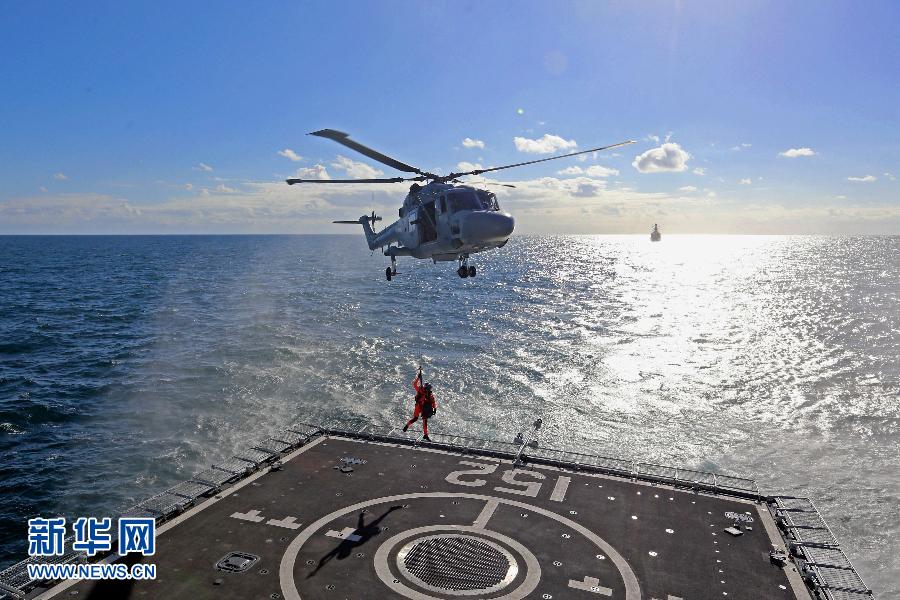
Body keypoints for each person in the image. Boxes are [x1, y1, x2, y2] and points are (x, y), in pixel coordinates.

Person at [402, 366, 437, 441]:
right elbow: (414, 384)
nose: (428, 390)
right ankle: (407, 426)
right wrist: (418, 378)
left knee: (425, 420)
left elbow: (433, 402)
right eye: (428, 388)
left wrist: (434, 409)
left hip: (424, 408)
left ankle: (425, 434)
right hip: (418, 406)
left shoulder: (429, 395)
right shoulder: (420, 390)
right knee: (415, 418)